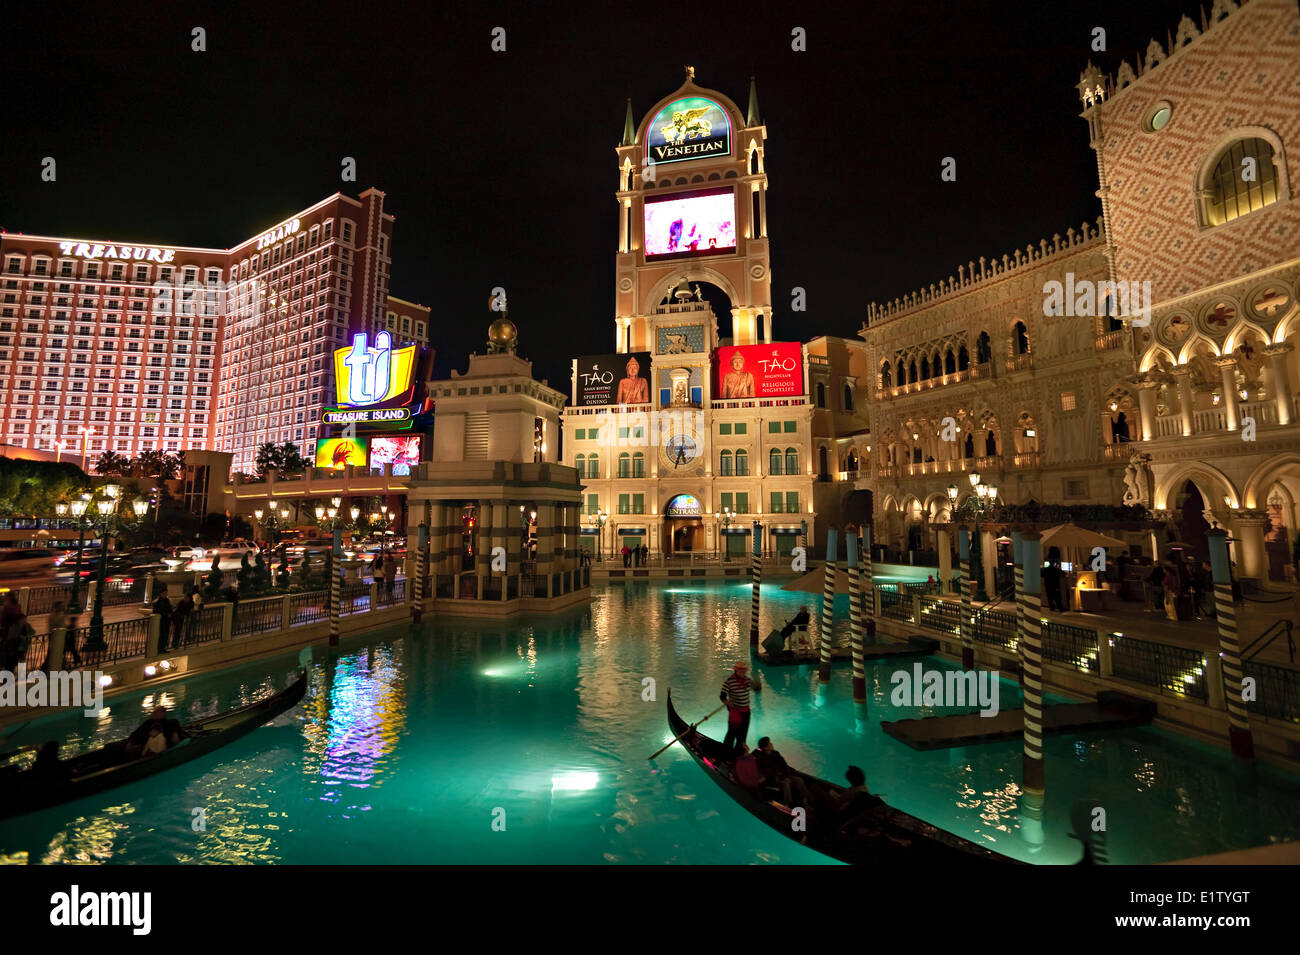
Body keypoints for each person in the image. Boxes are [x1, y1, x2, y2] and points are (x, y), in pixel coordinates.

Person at [719, 661, 760, 756]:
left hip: (746, 712)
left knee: (742, 736)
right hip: (735, 712)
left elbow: (757, 689)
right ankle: (725, 754)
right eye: (741, 671)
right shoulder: (729, 682)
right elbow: (722, 696)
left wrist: (757, 682)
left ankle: (738, 754)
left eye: (744, 671)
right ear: (736, 671)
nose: (743, 673)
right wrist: (727, 702)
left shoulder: (747, 680)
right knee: (731, 734)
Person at [754, 737, 810, 806]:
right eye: (769, 743)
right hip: (773, 779)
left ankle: (805, 800)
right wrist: (782, 776)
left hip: (783, 775)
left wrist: (789, 773)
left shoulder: (776, 753)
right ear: (766, 747)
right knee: (786, 783)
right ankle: (787, 803)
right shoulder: (761, 758)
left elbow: (784, 764)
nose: (772, 744)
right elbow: (768, 772)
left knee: (799, 780)